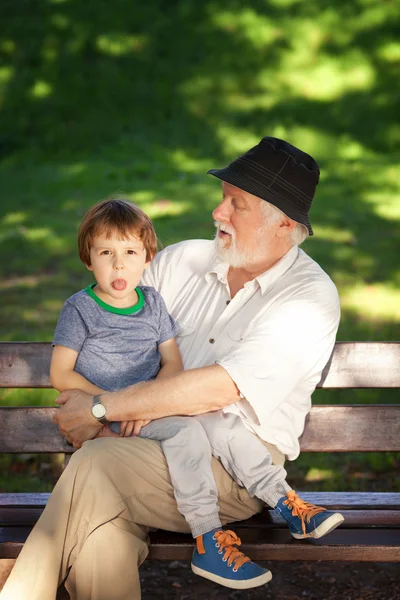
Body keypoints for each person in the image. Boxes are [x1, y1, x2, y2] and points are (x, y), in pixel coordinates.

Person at [0, 136, 342, 600]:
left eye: (236, 204)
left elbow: (219, 390)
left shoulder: (308, 298)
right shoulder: (184, 261)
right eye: (223, 198)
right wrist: (107, 411)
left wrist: (101, 409)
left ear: (283, 224)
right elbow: (101, 340)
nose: (218, 213)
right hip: (137, 442)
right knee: (102, 536)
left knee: (94, 468)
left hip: (232, 467)